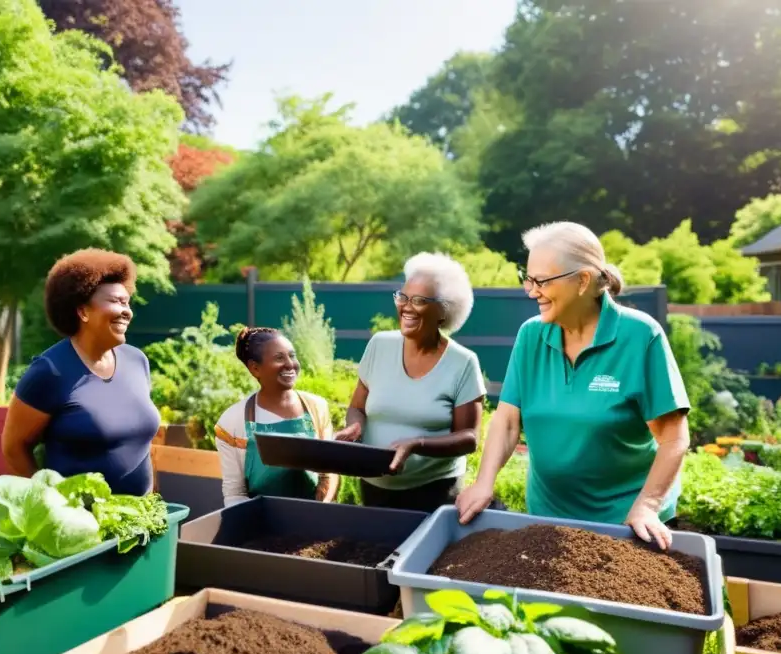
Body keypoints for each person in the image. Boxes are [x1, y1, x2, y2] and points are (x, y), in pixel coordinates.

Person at [456, 222, 690, 550]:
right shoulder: (531, 336)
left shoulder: (640, 336)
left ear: (582, 281)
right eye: (527, 277)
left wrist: (647, 507)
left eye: (541, 280)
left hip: (629, 524)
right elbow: (508, 421)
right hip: (550, 521)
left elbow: (673, 438)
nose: (530, 289)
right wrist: (484, 482)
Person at [335, 252, 485, 513]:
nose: (406, 306)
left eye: (419, 300)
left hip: (434, 491)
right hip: (374, 485)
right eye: (402, 297)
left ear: (443, 311)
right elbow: (357, 406)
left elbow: (469, 438)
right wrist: (354, 427)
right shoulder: (380, 344)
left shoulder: (463, 363)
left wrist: (418, 444)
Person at [2, 249, 160, 495]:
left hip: (139, 519)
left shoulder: (137, 361)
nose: (126, 310)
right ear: (83, 311)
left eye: (126, 301)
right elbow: (13, 447)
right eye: (115, 301)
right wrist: (52, 503)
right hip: (81, 527)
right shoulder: (50, 371)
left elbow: (140, 444)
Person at [215, 327, 338, 505]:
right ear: (255, 368)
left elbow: (328, 473)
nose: (290, 364)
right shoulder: (232, 422)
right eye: (279, 358)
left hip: (315, 516)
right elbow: (235, 493)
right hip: (260, 521)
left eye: (292, 355)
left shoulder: (317, 408)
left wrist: (321, 510)